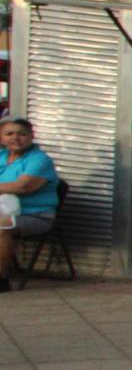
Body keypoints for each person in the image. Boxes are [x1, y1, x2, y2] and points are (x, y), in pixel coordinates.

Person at [0, 117, 59, 290]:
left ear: (31, 137)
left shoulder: (39, 160)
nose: (15, 138)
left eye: (22, 134)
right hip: (4, 210)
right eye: (9, 134)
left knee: (1, 227)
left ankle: (1, 278)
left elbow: (23, 186)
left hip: (34, 215)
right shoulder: (2, 156)